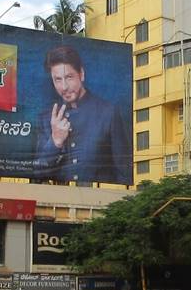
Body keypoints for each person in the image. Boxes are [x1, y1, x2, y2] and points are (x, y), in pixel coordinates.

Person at [32, 43, 129, 184]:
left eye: (69, 77)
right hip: (56, 202)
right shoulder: (46, 118)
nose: (64, 87)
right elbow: (38, 173)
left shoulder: (108, 112)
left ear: (81, 74)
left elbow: (124, 171)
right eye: (58, 80)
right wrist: (55, 142)